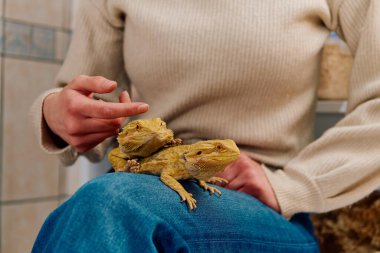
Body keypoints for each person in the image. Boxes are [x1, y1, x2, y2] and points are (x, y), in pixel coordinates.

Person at [31, 0, 380, 252]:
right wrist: (56, 114)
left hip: (265, 215)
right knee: (106, 206)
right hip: (138, 192)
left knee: (107, 205)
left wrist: (294, 185)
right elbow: (84, 96)